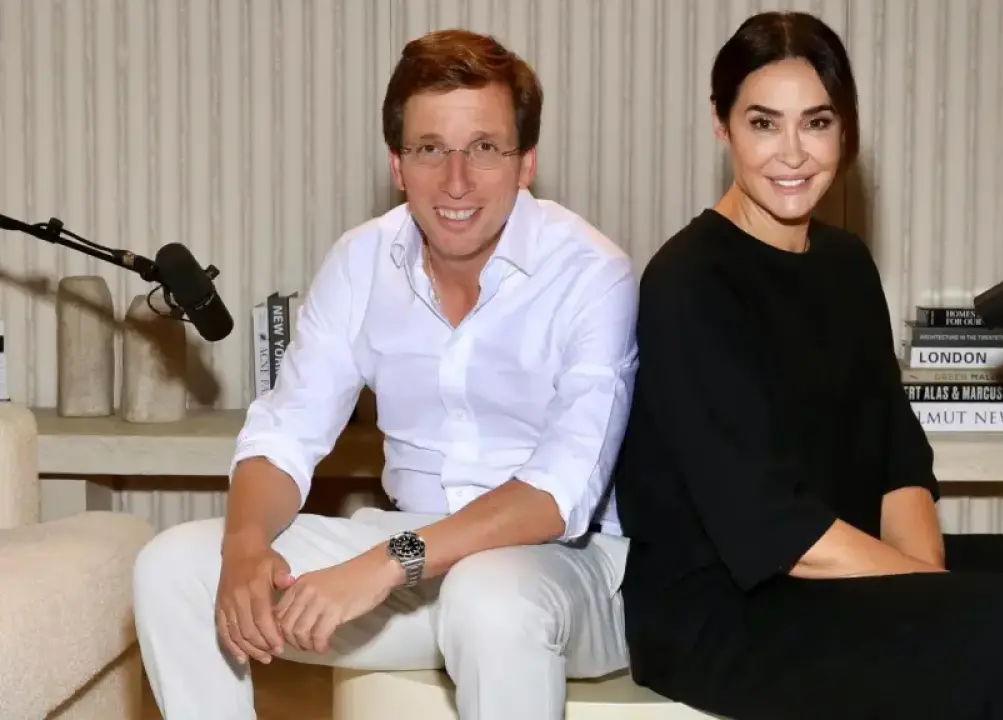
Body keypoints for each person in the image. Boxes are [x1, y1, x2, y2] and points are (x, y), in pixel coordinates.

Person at [612, 11, 1003, 720]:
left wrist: (928, 585)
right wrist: (934, 596)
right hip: (725, 608)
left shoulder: (845, 263)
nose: (792, 153)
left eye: (817, 123)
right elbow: (770, 528)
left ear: (846, 128)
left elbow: (897, 457)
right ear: (721, 124)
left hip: (839, 569)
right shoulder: (689, 282)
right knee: (1002, 624)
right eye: (764, 123)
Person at [133, 29, 638, 720]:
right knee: (174, 568)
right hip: (413, 568)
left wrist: (385, 562)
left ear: (526, 162)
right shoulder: (361, 260)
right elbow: (286, 432)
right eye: (430, 149)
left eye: (484, 148)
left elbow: (559, 494)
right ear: (398, 165)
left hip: (564, 572)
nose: (455, 181)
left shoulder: (592, 273)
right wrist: (245, 546)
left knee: (488, 596)